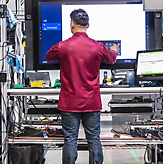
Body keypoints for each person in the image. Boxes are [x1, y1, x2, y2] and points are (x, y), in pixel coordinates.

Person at [45, 9, 119, 164]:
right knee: (93, 139)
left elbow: (48, 57)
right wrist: (114, 50)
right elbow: (111, 59)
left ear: (71, 25)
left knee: (70, 140)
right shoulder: (97, 47)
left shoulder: (62, 46)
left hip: (69, 103)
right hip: (91, 103)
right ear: (88, 25)